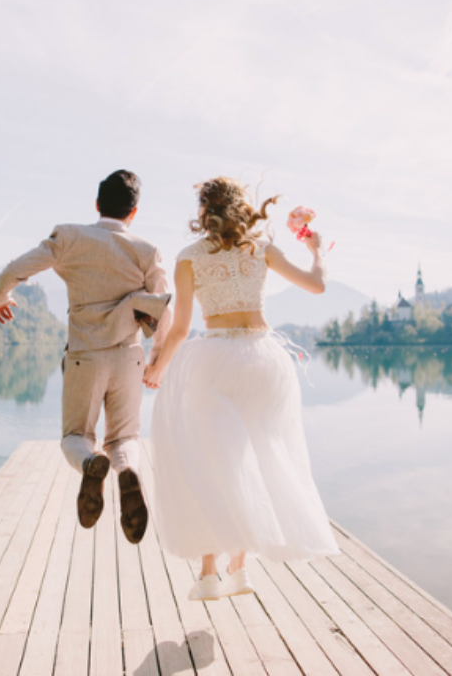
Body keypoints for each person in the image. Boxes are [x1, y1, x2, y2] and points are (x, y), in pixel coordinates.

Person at [143, 176, 339, 600]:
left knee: (208, 460)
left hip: (215, 360)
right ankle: (240, 568)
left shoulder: (188, 258)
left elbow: (179, 330)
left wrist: (158, 365)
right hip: (264, 361)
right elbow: (317, 284)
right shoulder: (261, 248)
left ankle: (210, 570)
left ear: (203, 212)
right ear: (240, 209)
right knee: (254, 453)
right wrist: (317, 249)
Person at [0, 170, 171, 544]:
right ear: (133, 213)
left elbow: (14, 269)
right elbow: (165, 308)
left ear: (96, 204)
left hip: (84, 357)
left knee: (75, 435)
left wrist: (0, 298)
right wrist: (157, 361)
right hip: (129, 356)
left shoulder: (70, 237)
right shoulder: (147, 251)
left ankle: (91, 464)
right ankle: (126, 470)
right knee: (124, 438)